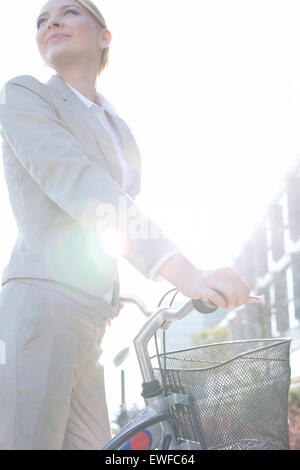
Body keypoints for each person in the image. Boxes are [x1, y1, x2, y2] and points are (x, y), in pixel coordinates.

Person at [0, 0, 249, 450]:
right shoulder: (23, 95)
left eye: (69, 11)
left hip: (90, 317)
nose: (51, 21)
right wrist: (186, 273)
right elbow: (80, 185)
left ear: (103, 37)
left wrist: (110, 290)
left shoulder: (120, 130)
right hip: (40, 303)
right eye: (41, 19)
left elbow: (109, 223)